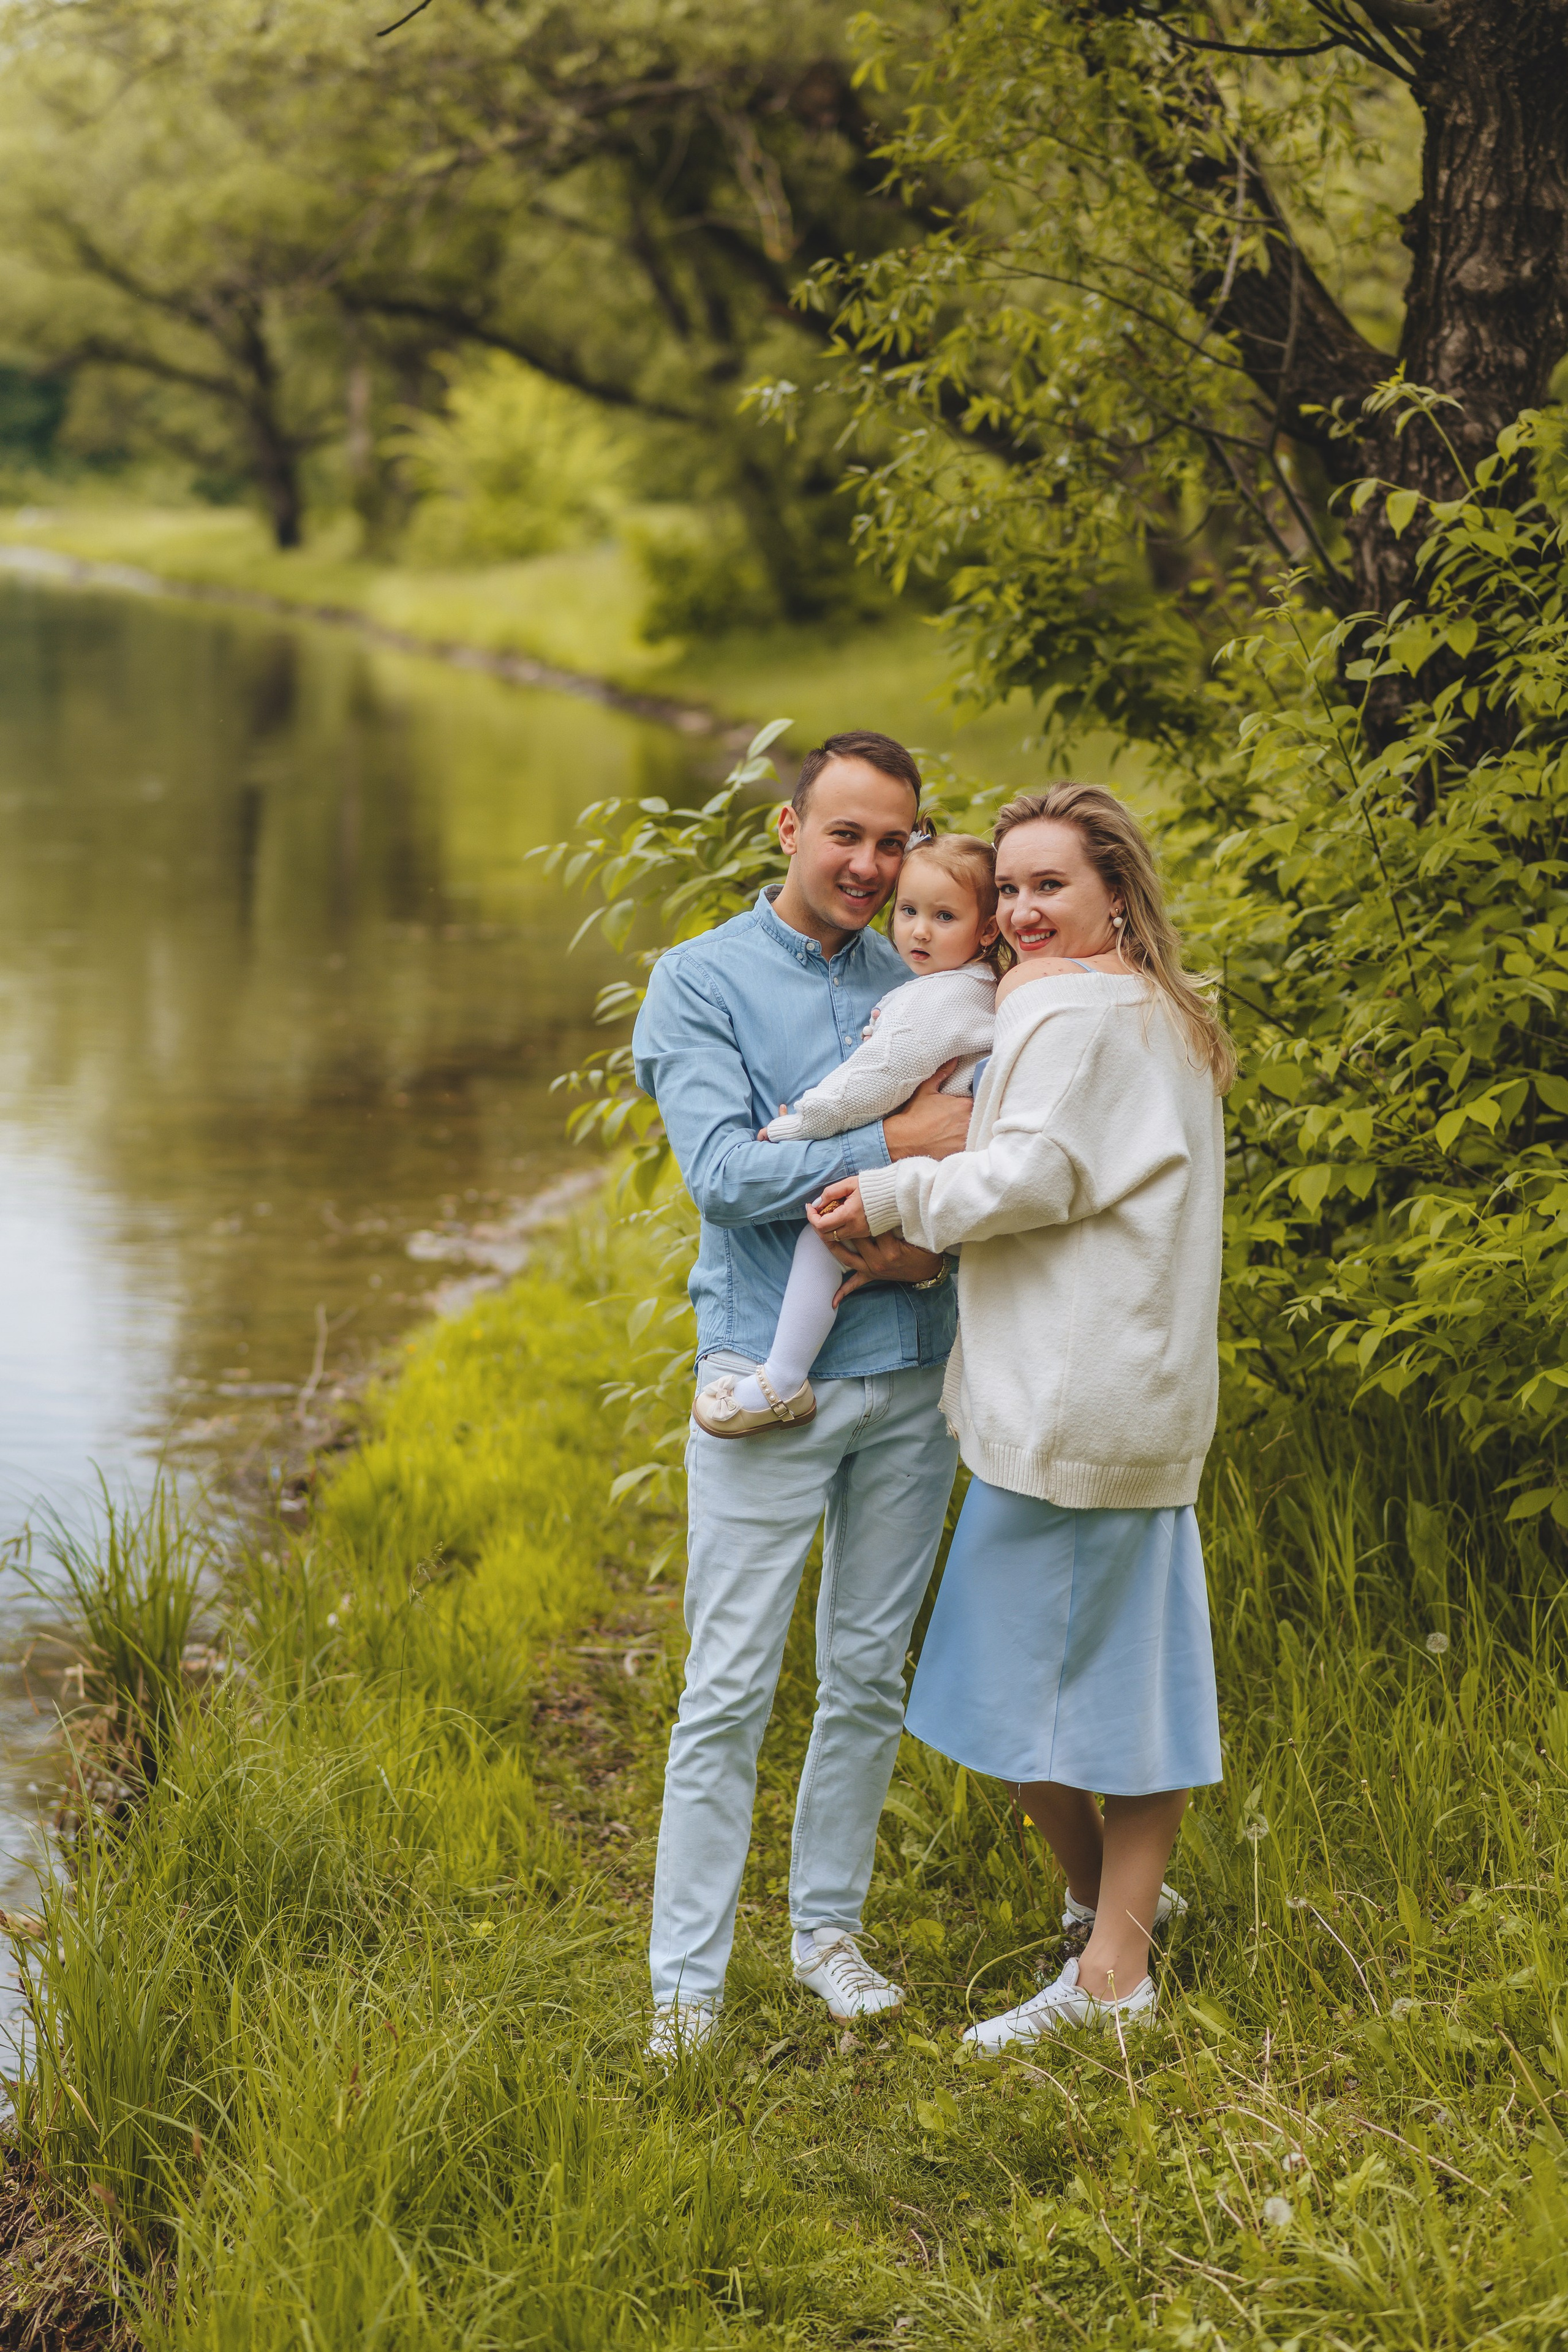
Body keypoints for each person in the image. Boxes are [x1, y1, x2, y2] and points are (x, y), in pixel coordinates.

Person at [809, 782, 1234, 2051]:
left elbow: (1037, 1174)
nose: (1020, 910)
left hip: (1075, 1401)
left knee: (1057, 1696)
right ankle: (1110, 1921)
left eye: (1050, 885)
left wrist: (892, 1196)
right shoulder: (1152, 1009)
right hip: (1115, 1391)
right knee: (1064, 1685)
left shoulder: (1072, 1011)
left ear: (1114, 891)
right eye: (1009, 889)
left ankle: (1114, 1966)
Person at [630, 731, 971, 2059]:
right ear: (786, 830)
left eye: (894, 841)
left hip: (908, 1374)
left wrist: (920, 1212)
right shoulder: (697, 980)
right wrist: (894, 1137)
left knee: (864, 1673)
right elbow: (722, 1174)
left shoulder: (927, 979)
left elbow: (977, 1169)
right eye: (846, 835)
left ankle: (825, 1932)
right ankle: (684, 1987)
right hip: (760, 1390)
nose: (872, 866)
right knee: (724, 1689)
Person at [692, 832, 1001, 1439]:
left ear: (987, 930)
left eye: (944, 917)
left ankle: (782, 1379)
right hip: (961, 1182)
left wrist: (795, 1127)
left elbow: (871, 1083)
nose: (918, 932)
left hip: (928, 1173)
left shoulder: (934, 999)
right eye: (908, 911)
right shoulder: (986, 990)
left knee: (825, 1230)